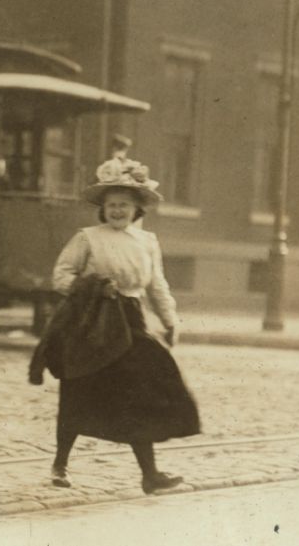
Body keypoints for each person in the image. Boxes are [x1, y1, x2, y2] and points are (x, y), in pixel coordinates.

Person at [30, 157, 200, 494]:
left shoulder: (148, 242)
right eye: (111, 205)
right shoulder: (88, 238)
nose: (117, 211)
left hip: (133, 321)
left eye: (124, 205)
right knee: (80, 391)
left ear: (138, 209)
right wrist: (93, 284)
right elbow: (61, 276)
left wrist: (170, 320)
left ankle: (149, 475)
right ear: (102, 209)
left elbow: (158, 285)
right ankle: (60, 465)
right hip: (93, 321)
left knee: (141, 392)